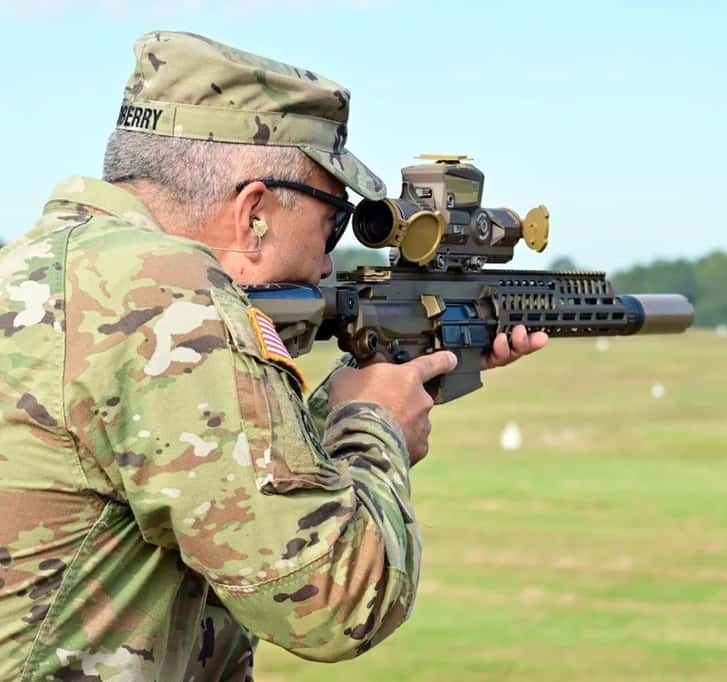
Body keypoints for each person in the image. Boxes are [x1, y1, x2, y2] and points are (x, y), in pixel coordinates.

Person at [0, 31, 546, 681]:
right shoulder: (173, 297)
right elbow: (334, 598)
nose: (328, 259)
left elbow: (200, 479)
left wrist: (364, 388)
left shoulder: (46, 270)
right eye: (334, 219)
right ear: (254, 212)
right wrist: (375, 430)